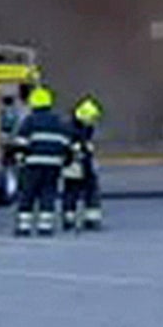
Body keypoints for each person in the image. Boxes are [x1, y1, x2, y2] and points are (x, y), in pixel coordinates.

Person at [12, 86, 71, 237]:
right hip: (53, 165)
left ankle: (24, 227)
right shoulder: (59, 121)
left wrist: (18, 159)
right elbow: (66, 145)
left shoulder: (30, 121)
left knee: (28, 195)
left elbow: (20, 144)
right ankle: (45, 227)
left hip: (32, 165)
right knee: (48, 194)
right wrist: (65, 162)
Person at [60, 95, 104, 233]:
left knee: (91, 190)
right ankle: (69, 220)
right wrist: (80, 148)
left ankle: (91, 219)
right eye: (91, 119)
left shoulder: (86, 127)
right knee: (71, 192)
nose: (93, 122)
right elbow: (67, 146)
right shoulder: (70, 128)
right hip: (72, 163)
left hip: (85, 163)